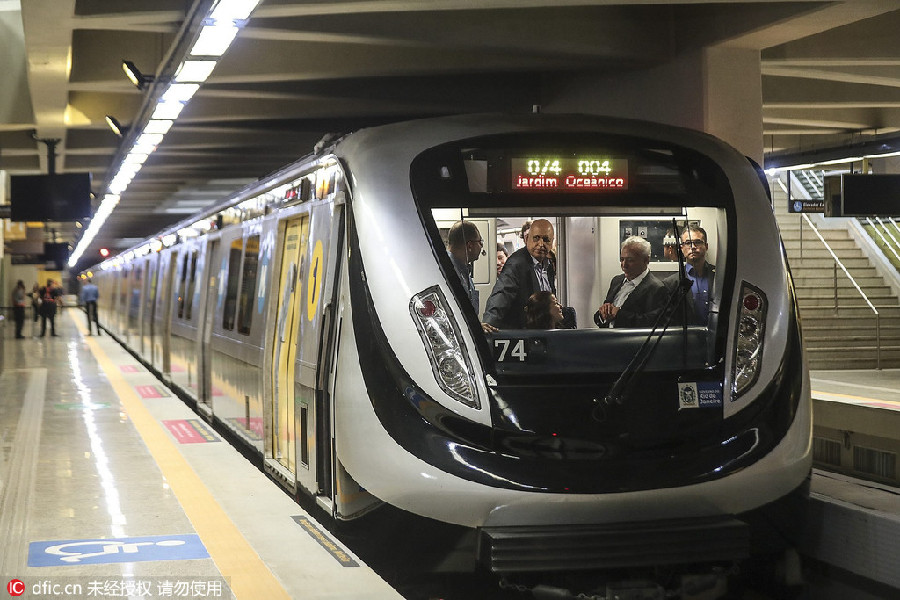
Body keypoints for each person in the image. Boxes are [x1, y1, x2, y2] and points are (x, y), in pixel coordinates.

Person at [483, 219, 555, 330]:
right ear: (527, 239)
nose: (541, 244)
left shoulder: (548, 264)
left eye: (546, 240)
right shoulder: (516, 264)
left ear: (552, 242)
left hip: (543, 332)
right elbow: (502, 294)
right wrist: (488, 324)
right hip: (523, 337)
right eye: (536, 238)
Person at [594, 236, 668, 328]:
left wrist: (619, 315)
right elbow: (600, 316)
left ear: (646, 260)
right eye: (622, 259)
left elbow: (653, 322)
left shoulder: (657, 288)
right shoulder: (616, 281)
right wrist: (603, 314)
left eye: (630, 260)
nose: (624, 265)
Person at [667, 225, 716, 324]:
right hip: (686, 337)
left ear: (706, 246)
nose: (693, 247)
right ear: (681, 248)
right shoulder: (671, 283)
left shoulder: (719, 276)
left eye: (697, 242)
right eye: (688, 243)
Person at [446, 220, 485, 312]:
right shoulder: (447, 271)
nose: (482, 245)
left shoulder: (463, 271)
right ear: (470, 245)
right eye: (480, 241)